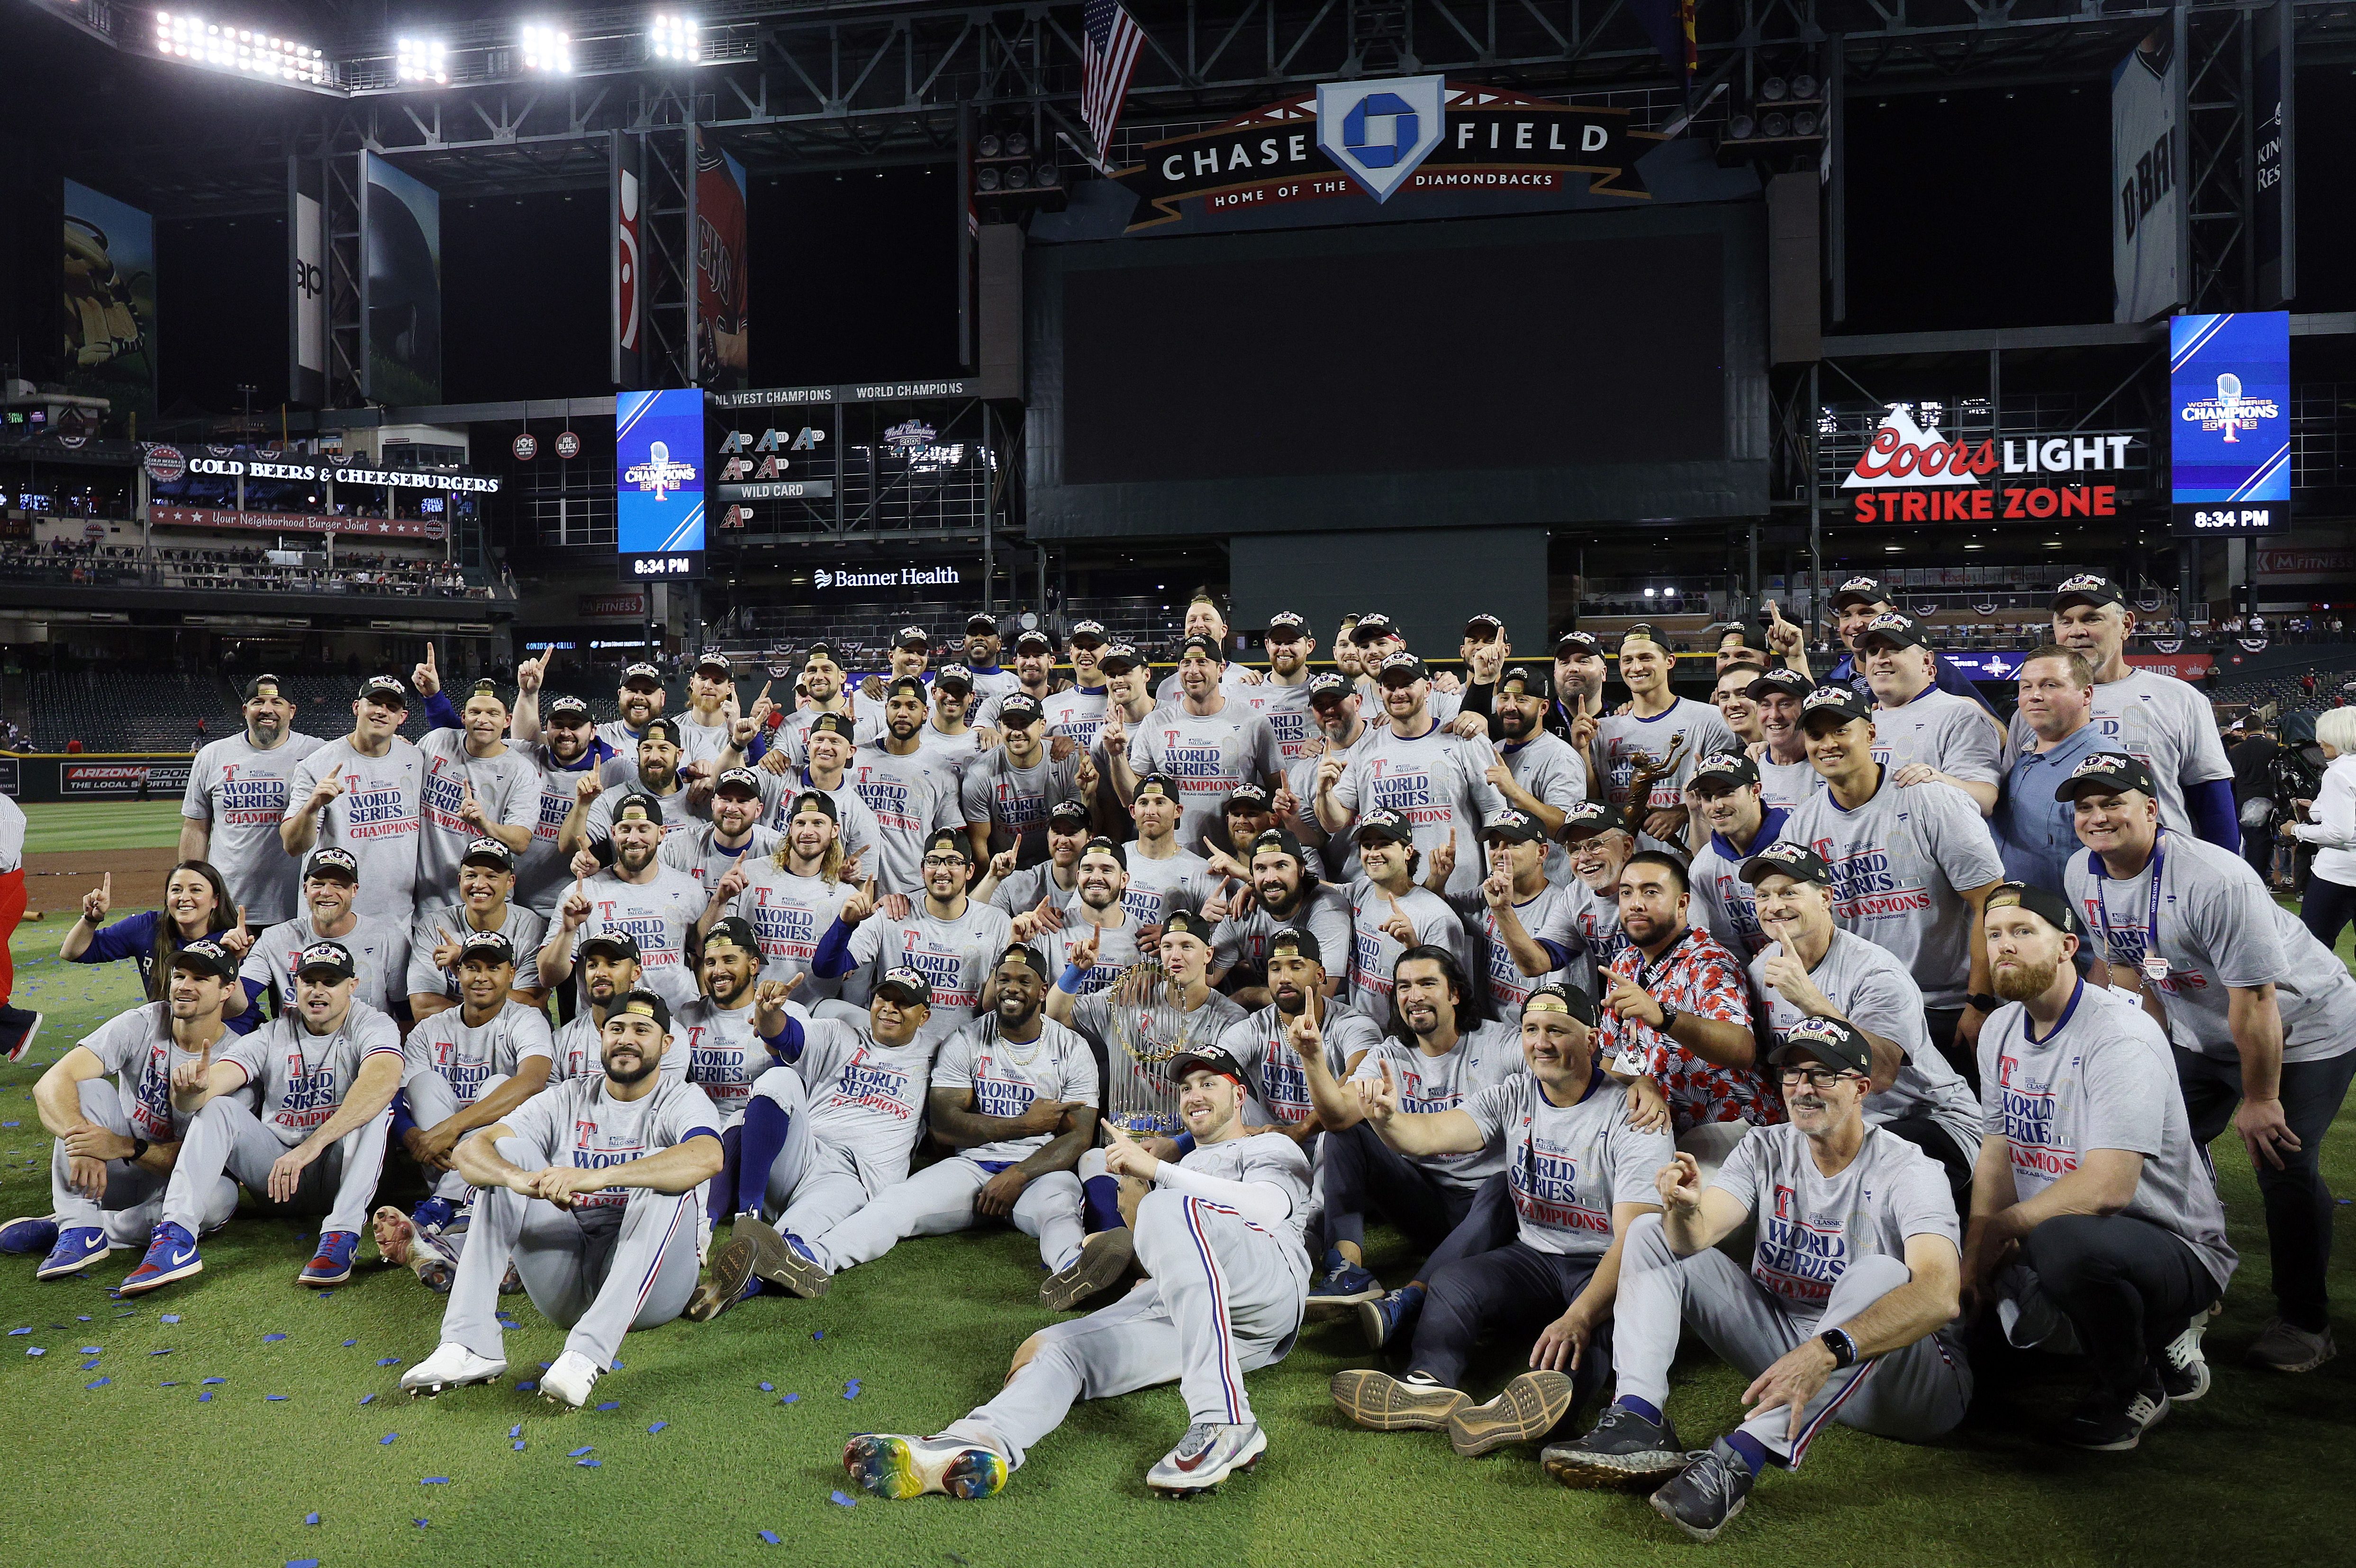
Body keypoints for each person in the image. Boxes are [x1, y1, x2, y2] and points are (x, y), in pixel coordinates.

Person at [1547, 1017, 1970, 1542]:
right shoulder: (1764, 1147)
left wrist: (1825, 1351)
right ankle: (1638, 1416)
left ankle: (1737, 1461)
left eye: (1822, 1075)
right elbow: (1690, 1239)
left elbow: (1937, 1295)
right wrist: (1681, 1208)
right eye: (1792, 1074)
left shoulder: (1909, 1169)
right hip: (1786, 1355)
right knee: (1650, 1232)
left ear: (1862, 1088)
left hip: (1905, 1385)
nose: (1803, 1089)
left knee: (1881, 1272)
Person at [842, 1045, 1312, 1500]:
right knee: (1056, 1348)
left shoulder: (1268, 1144)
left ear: (1239, 1097)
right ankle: (976, 1441)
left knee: (1167, 1206)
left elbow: (1267, 1208)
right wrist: (1142, 1210)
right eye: (1187, 1087)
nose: (1194, 1095)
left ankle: (1224, 1418)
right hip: (1204, 1321)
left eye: (1209, 1083)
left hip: (1265, 1288)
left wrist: (1158, 1175)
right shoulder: (1182, 1164)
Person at [2060, 750, 2353, 1373]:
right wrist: (2138, 1058)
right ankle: (2190, 1279)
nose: (2097, 816)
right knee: (2145, 1143)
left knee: (2283, 1159)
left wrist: (2260, 1098)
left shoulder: (2214, 877)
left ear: (2152, 809)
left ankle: (2305, 1321)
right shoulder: (2081, 873)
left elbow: (2257, 1000)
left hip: (2302, 1028)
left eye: (2113, 802)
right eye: (2085, 806)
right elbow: (2125, 969)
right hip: (2201, 1027)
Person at [1332, 982, 1671, 1456]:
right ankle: (1428, 1385)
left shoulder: (1633, 1115)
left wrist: (1578, 1315)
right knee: (1452, 1283)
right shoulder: (1514, 1093)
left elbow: (1635, 1237)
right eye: (1531, 1029)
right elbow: (1430, 1134)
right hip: (1535, 1254)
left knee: (1584, 1338)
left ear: (1592, 1041)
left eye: (1557, 1029)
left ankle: (1517, 1409)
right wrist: (1387, 1118)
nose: (1541, 1041)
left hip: (1603, 1264)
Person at [1967, 884, 2237, 1446]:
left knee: (2063, 1244)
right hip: (2067, 1223)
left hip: (2169, 1240)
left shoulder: (2119, 1035)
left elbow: (2109, 1187)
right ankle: (2133, 1328)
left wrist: (2006, 1228)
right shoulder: (1998, 1028)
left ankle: (2134, 1385)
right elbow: (1997, 1147)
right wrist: (1975, 1248)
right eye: (1994, 935)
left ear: (2067, 946)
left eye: (2022, 932)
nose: (2004, 947)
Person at [707, 947, 1097, 1316]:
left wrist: (1021, 1172)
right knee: (891, 1204)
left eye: (1024, 980)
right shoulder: (959, 1040)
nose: (890, 1009)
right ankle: (776, 1238)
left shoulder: (1067, 1048)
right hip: (963, 1165)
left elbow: (1080, 1137)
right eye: (1004, 978)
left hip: (1031, 1170)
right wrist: (767, 1012)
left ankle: (1073, 1269)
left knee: (1060, 1211)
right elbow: (945, 1126)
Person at [396, 990, 723, 1409]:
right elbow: (468, 1153)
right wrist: (518, 1180)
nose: (627, 1039)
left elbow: (708, 1157)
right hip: (567, 1285)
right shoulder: (567, 1096)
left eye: (643, 1030)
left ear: (666, 1044)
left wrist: (597, 1178)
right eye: (617, 1029)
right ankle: (470, 1343)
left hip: (653, 1290)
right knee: (505, 1155)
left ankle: (587, 1354)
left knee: (665, 1175)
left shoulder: (682, 1098)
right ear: (601, 1036)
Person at [127, 939, 401, 1292]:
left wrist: (311, 1147)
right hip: (279, 1180)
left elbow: (383, 1080)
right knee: (220, 1107)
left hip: (337, 1169)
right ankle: (176, 1239)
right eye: (308, 981)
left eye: (329, 982)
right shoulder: (273, 1033)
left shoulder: (372, 1024)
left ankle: (341, 1235)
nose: (318, 991)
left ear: (352, 986)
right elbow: (216, 1082)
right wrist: (192, 1092)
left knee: (375, 1109)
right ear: (295, 985)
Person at [1779, 685, 2005, 1080]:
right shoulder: (1802, 825)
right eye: (1816, 735)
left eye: (1840, 730)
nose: (1828, 744)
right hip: (1862, 1005)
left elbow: (1991, 900)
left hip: (1946, 1007)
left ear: (1870, 733)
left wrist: (1980, 1002)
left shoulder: (1932, 800)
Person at [1, 939, 246, 1279]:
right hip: (115, 1171)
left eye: (201, 980)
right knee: (88, 1089)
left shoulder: (237, 1058)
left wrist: (121, 1146)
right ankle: (80, 1231)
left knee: (221, 1196)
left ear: (226, 991)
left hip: (176, 1184)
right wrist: (81, 1139)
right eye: (180, 976)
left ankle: (79, 1225)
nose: (185, 987)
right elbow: (51, 1082)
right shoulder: (145, 1021)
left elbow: (204, 1158)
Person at [1743, 841, 1981, 1190]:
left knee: (1849, 1169)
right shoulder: (1761, 969)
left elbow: (1882, 1075)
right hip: (1836, 1125)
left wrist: (1811, 1001)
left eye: (1788, 893)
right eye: (1763, 896)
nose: (1774, 906)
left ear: (1825, 898)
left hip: (1929, 1119)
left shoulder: (1876, 972)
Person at [1299, 946, 1523, 1314]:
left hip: (1486, 1211)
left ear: (1454, 993)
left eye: (1427, 984)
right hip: (1424, 1199)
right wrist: (1312, 1059)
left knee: (1504, 1186)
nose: (1414, 996)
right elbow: (1338, 1115)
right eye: (1403, 987)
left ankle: (1412, 1297)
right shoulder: (1392, 1054)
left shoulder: (1501, 1044)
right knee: (1344, 1135)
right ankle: (1346, 1271)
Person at [711, 967, 939, 1286]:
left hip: (851, 1179)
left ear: (924, 1016)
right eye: (883, 998)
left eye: (903, 1003)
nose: (889, 1008)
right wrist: (767, 1011)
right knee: (778, 1078)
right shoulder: (840, 1033)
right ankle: (748, 1215)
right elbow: (783, 1034)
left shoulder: (937, 1055)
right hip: (805, 1154)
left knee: (783, 1248)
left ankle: (740, 1284)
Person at [2024, 574, 2238, 850]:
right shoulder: (2033, 705)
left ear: (2126, 625)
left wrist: (2225, 871)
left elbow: (2212, 799)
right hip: (2059, 872)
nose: (2076, 631)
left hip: (2160, 870)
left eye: (2091, 619)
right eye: (2066, 621)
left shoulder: (2178, 698)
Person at [1595, 852, 1781, 1170]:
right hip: (1660, 1128)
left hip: (1732, 1125)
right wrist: (1637, 1083)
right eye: (1627, 892)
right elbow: (1611, 1061)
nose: (1635, 903)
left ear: (1682, 904)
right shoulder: (1623, 964)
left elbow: (1742, 1048)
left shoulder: (1709, 961)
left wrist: (1665, 1017)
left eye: (1651, 892)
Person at [392, 932, 556, 1239]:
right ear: (458, 972)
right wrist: (412, 1136)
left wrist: (452, 1128)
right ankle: (460, 1202)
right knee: (423, 1083)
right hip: (438, 1157)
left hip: (496, 1160)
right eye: (473, 967)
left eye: (493, 968)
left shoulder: (527, 1019)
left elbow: (533, 1081)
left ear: (511, 974)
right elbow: (399, 1097)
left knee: (500, 1084)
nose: (482, 977)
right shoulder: (428, 1030)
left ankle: (447, 1202)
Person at [1316, 651, 1502, 901]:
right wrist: (1324, 793)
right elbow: (1334, 823)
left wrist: (1495, 875)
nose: (1398, 693)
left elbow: (1494, 810)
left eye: (1407, 685)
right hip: (1390, 893)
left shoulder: (1464, 739)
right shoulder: (1365, 748)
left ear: (1427, 689)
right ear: (1381, 692)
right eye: (1390, 686)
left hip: (1460, 891)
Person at [814, 829, 1011, 1047]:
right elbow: (825, 969)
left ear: (969, 870)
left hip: (963, 1052)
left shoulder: (997, 923)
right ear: (922, 869)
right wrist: (845, 923)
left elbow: (996, 1005)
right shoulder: (892, 914)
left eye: (953, 862)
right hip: (898, 1049)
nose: (942, 870)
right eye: (933, 861)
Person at [180, 672, 325, 927]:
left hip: (296, 907)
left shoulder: (318, 753)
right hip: (225, 906)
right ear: (245, 710)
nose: (267, 710)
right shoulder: (212, 756)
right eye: (258, 702)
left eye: (276, 702)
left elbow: (363, 755)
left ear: (292, 711)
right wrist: (187, 889)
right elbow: (195, 828)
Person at [540, 792, 706, 1010]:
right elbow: (547, 978)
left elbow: (702, 955)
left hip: (675, 1022)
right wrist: (568, 931)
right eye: (625, 829)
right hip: (607, 1029)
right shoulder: (581, 893)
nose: (633, 838)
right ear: (613, 833)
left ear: (662, 834)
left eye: (643, 829)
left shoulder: (688, 888)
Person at [1117, 634, 1283, 851]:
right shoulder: (1155, 723)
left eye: (1202, 662)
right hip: (1172, 855)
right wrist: (1117, 756)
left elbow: (1277, 793)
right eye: (1186, 663)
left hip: (1236, 853)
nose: (1193, 671)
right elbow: (1133, 796)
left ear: (1221, 668)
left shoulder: (1254, 722)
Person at [282, 674, 425, 924]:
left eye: (391, 707)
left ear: (402, 718)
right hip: (333, 913)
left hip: (397, 915)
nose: (382, 712)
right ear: (357, 707)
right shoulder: (318, 765)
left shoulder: (416, 759)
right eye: (375, 703)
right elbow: (293, 846)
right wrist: (313, 807)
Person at [1589, 626, 1733, 855]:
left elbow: (1729, 791)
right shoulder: (1604, 730)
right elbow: (1593, 800)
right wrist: (1580, 749)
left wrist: (1683, 811)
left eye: (1646, 658)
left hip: (1693, 862)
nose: (1636, 668)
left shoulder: (1709, 720)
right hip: (1624, 867)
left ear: (1670, 661)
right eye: (1628, 660)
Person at [409, 657, 540, 908]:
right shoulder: (437, 742)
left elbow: (521, 841)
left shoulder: (521, 771)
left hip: (486, 902)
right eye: (475, 712)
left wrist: (485, 824)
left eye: (493, 713)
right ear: (464, 717)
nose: (483, 720)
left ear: (507, 721)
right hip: (425, 902)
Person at [711, 788, 857, 1000]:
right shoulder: (751, 873)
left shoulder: (846, 896)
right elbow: (714, 941)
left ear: (834, 830)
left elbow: (843, 967)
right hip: (751, 1002)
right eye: (800, 823)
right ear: (790, 828)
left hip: (814, 1012)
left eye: (818, 823)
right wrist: (720, 900)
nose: (807, 832)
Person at [1856, 612, 2003, 816]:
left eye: (1895, 649)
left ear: (1927, 662)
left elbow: (1986, 800)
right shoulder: (1860, 722)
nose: (1880, 659)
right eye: (1872, 651)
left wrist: (1940, 782)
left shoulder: (1960, 715)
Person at [505, 659, 621, 917]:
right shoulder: (529, 757)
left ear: (593, 732)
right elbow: (483, 746)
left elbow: (656, 777)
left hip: (578, 904)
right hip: (516, 903)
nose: (566, 733)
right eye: (558, 725)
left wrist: (691, 775)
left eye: (575, 726)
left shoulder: (614, 770)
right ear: (546, 730)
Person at [238, 848, 408, 1023]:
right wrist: (232, 963)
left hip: (365, 1044)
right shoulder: (275, 938)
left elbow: (407, 1016)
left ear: (354, 891)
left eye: (339, 885)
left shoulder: (389, 939)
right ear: (305, 890)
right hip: (296, 1044)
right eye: (318, 884)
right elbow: (236, 1005)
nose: (327, 892)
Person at [64, 859, 253, 1005]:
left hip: (229, 1031)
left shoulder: (233, 942)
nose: (184, 898)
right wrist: (91, 919)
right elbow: (72, 952)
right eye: (176, 890)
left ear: (215, 901)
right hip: (172, 1034)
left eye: (196, 890)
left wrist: (232, 960)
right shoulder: (147, 927)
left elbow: (238, 1008)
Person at [1993, 646, 2103, 893]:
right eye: (2026, 687)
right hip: (2013, 921)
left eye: (2050, 685)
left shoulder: (2103, 766)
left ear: (2086, 695)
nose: (2034, 696)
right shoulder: (2023, 759)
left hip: (2070, 927)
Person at [849, 676, 967, 900]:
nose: (902, 713)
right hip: (853, 888)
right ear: (886, 710)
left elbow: (950, 840)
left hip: (911, 895)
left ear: (925, 713)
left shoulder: (942, 772)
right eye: (895, 705)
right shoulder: (855, 758)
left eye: (911, 706)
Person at [1205, 825, 1350, 1005]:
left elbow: (1320, 995)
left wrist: (1247, 996)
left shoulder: (1327, 908)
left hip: (1326, 1019)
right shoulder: (1244, 906)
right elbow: (1207, 978)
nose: (1270, 878)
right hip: (1271, 1014)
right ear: (1252, 876)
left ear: (1301, 870)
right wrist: (1201, 930)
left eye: (1281, 866)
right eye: (1261, 868)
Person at [406, 838, 546, 1020]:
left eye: (492, 876)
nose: (479, 885)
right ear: (460, 880)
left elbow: (533, 1005)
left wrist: (467, 960)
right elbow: (424, 1009)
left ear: (510, 882)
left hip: (513, 1037)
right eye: (471, 876)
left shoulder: (531, 927)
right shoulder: (434, 926)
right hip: (455, 1038)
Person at [1454, 809, 1577, 1015]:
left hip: (1531, 1033)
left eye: (1513, 843)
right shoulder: (1487, 893)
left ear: (1542, 853)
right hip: (1488, 1027)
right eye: (1494, 845)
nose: (1500, 852)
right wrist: (1438, 879)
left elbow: (1560, 1004)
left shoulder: (1562, 908)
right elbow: (1440, 908)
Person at [1811, 575, 1994, 713]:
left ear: (1893, 613)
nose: (1856, 624)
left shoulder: (1928, 667)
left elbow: (2000, 735)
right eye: (1846, 615)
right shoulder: (1831, 681)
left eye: (1867, 613)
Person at [1343, 808, 1465, 1014]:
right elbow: (1318, 887)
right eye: (1367, 846)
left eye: (1384, 844)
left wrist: (1414, 947)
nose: (1374, 853)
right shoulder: (1360, 890)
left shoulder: (1437, 917)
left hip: (1408, 1037)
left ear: (1408, 852)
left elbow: (1451, 995)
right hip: (1358, 1027)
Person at [961, 691, 1094, 865]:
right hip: (1003, 866)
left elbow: (1080, 832)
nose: (1017, 732)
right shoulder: (980, 773)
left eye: (1024, 724)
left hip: (1057, 863)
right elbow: (980, 847)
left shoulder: (1066, 762)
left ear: (1042, 726)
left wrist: (1090, 796)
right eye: (1009, 724)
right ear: (1000, 726)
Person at [1684, 752, 1788, 960]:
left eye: (1727, 793)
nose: (1717, 805)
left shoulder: (1795, 839)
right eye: (1707, 797)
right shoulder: (1703, 867)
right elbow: (1719, 944)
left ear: (1755, 791)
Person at [2282, 706, 2356, 950]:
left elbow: (2339, 833)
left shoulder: (2339, 774)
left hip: (2340, 873)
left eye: (2324, 736)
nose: (2319, 742)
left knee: (2312, 949)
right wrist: (2317, 807)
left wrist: (2296, 830)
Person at [562, 718, 698, 848]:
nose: (654, 757)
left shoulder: (699, 797)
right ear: (639, 752)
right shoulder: (613, 799)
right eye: (647, 749)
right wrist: (582, 805)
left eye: (663, 749)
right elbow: (571, 846)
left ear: (679, 755)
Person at [1111, 772, 1215, 931]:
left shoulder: (1200, 870)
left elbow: (1214, 943)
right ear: (1133, 811)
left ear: (1178, 811)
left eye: (1160, 803)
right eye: (1144, 803)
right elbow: (1083, 913)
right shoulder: (1114, 858)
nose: (1150, 811)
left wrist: (1171, 933)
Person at [660, 764, 780, 895]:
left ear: (758, 810)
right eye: (725, 800)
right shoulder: (678, 846)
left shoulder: (778, 848)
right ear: (713, 804)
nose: (732, 808)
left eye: (742, 801)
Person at [1558, 802, 1637, 996]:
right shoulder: (1576, 893)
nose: (1584, 857)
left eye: (1595, 845)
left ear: (1626, 847)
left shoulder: (1663, 883)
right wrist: (1503, 910)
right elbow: (1538, 962)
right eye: (1574, 849)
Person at [1242, 609, 1320, 766]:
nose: (1284, 649)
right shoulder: (1245, 690)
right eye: (1277, 643)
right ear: (1267, 646)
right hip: (1262, 789)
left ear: (1309, 646)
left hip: (1313, 788)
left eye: (1292, 642)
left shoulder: (1325, 692)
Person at [1746, 668, 1822, 812]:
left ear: (1806, 710)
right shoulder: (1749, 769)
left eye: (1785, 704)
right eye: (1765, 705)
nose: (1774, 715)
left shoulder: (1830, 768)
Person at [1042, 620, 1114, 752]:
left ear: (1109, 652)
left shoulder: (1125, 704)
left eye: (1093, 647)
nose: (1085, 653)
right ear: (1071, 653)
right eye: (1080, 647)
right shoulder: (1049, 705)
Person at [0, 788, 31, 1061]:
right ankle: (15, 1025)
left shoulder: (5, 810)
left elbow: (4, 858)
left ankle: (18, 1022)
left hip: (5, 887)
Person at [960, 613, 1021, 706]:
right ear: (964, 644)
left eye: (986, 634)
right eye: (973, 634)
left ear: (998, 645)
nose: (979, 638)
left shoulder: (1016, 685)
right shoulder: (947, 682)